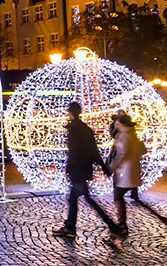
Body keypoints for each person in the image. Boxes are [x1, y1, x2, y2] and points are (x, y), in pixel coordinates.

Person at [53, 102, 121, 239]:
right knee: (76, 198)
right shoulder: (86, 129)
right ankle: (70, 226)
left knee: (86, 199)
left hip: (77, 170)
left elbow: (74, 152)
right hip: (84, 169)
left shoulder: (74, 129)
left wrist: (69, 169)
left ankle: (111, 226)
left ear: (71, 112)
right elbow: (94, 151)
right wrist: (103, 168)